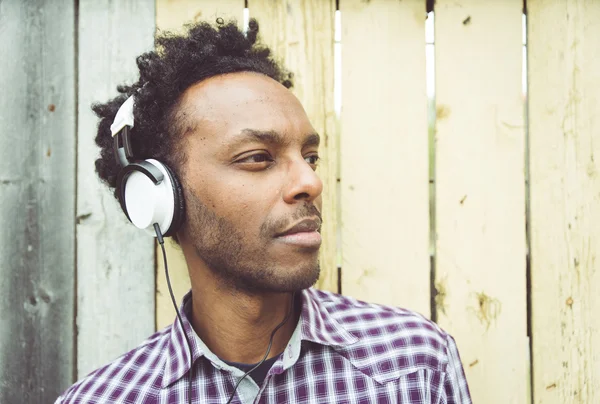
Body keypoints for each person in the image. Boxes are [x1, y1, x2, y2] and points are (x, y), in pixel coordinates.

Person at [56, 19, 472, 404]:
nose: (310, 182)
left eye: (310, 157)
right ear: (159, 200)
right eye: (258, 157)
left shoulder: (416, 366)